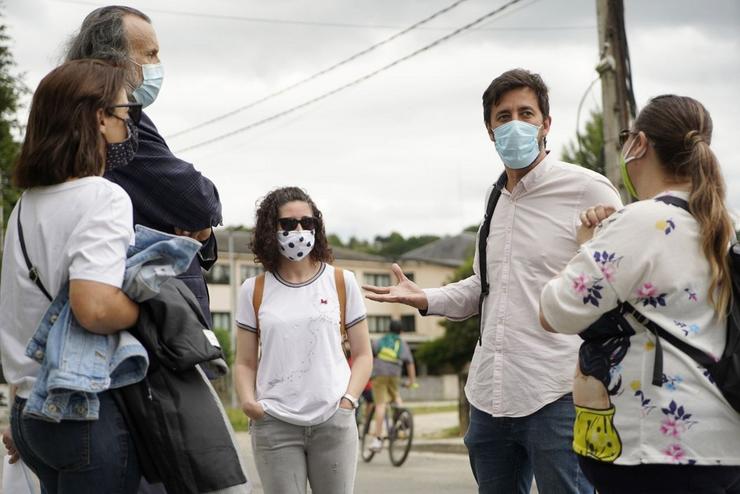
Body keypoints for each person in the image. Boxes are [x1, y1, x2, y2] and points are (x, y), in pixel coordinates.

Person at [364, 68, 622, 493]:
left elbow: (619, 286)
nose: (515, 124)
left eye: (526, 113)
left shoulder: (587, 191)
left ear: (546, 124)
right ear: (489, 129)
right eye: (504, 116)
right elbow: (484, 288)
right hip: (490, 395)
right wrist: (424, 296)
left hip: (558, 390)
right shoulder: (494, 197)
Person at [539, 94, 740, 494]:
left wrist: (585, 246)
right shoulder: (723, 225)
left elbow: (556, 311)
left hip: (654, 449)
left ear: (640, 144)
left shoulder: (642, 221)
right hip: (722, 442)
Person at [0, 59, 141, 493]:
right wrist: (142, 308)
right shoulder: (104, 197)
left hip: (30, 412)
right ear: (99, 118)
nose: (128, 125)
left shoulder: (26, 205)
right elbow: (94, 306)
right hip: (82, 412)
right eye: (124, 113)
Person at [65, 6, 222, 327]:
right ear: (113, 61)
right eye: (149, 54)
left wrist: (202, 231)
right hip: (154, 331)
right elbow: (197, 198)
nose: (156, 65)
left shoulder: (70, 114)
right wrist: (202, 220)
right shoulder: (113, 117)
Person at [233, 187, 373, 494]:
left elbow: (363, 354)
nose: (298, 230)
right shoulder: (253, 289)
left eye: (307, 223)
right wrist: (249, 402)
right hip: (274, 423)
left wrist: (348, 401)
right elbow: (244, 361)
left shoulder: (341, 281)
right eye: (288, 224)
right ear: (271, 229)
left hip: (333, 420)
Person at [367, 319, 416, 453]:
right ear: (401, 331)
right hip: (395, 374)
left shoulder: (380, 340)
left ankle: (377, 439)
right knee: (396, 396)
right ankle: (403, 416)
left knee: (380, 404)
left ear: (389, 328)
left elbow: (369, 355)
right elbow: (410, 363)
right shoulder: (402, 343)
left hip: (379, 373)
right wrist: (411, 381)